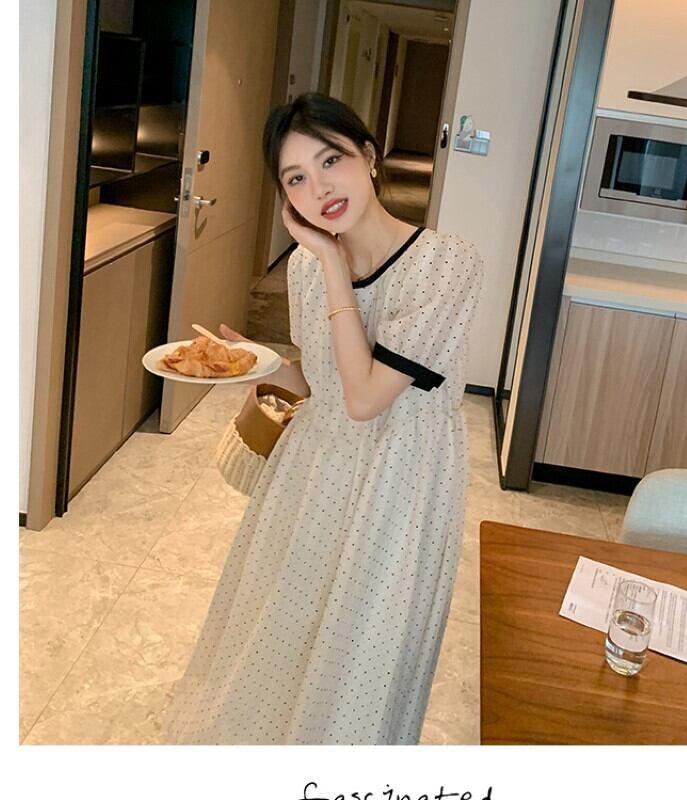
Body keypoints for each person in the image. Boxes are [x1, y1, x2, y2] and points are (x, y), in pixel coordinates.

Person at [164, 92, 484, 745]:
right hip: (313, 472)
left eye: (331, 160)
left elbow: (366, 400)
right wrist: (254, 366)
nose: (320, 189)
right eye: (296, 178)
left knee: (361, 655)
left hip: (399, 484)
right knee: (277, 633)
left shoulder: (445, 264)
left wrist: (333, 264)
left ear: (368, 156)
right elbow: (326, 384)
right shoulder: (306, 269)